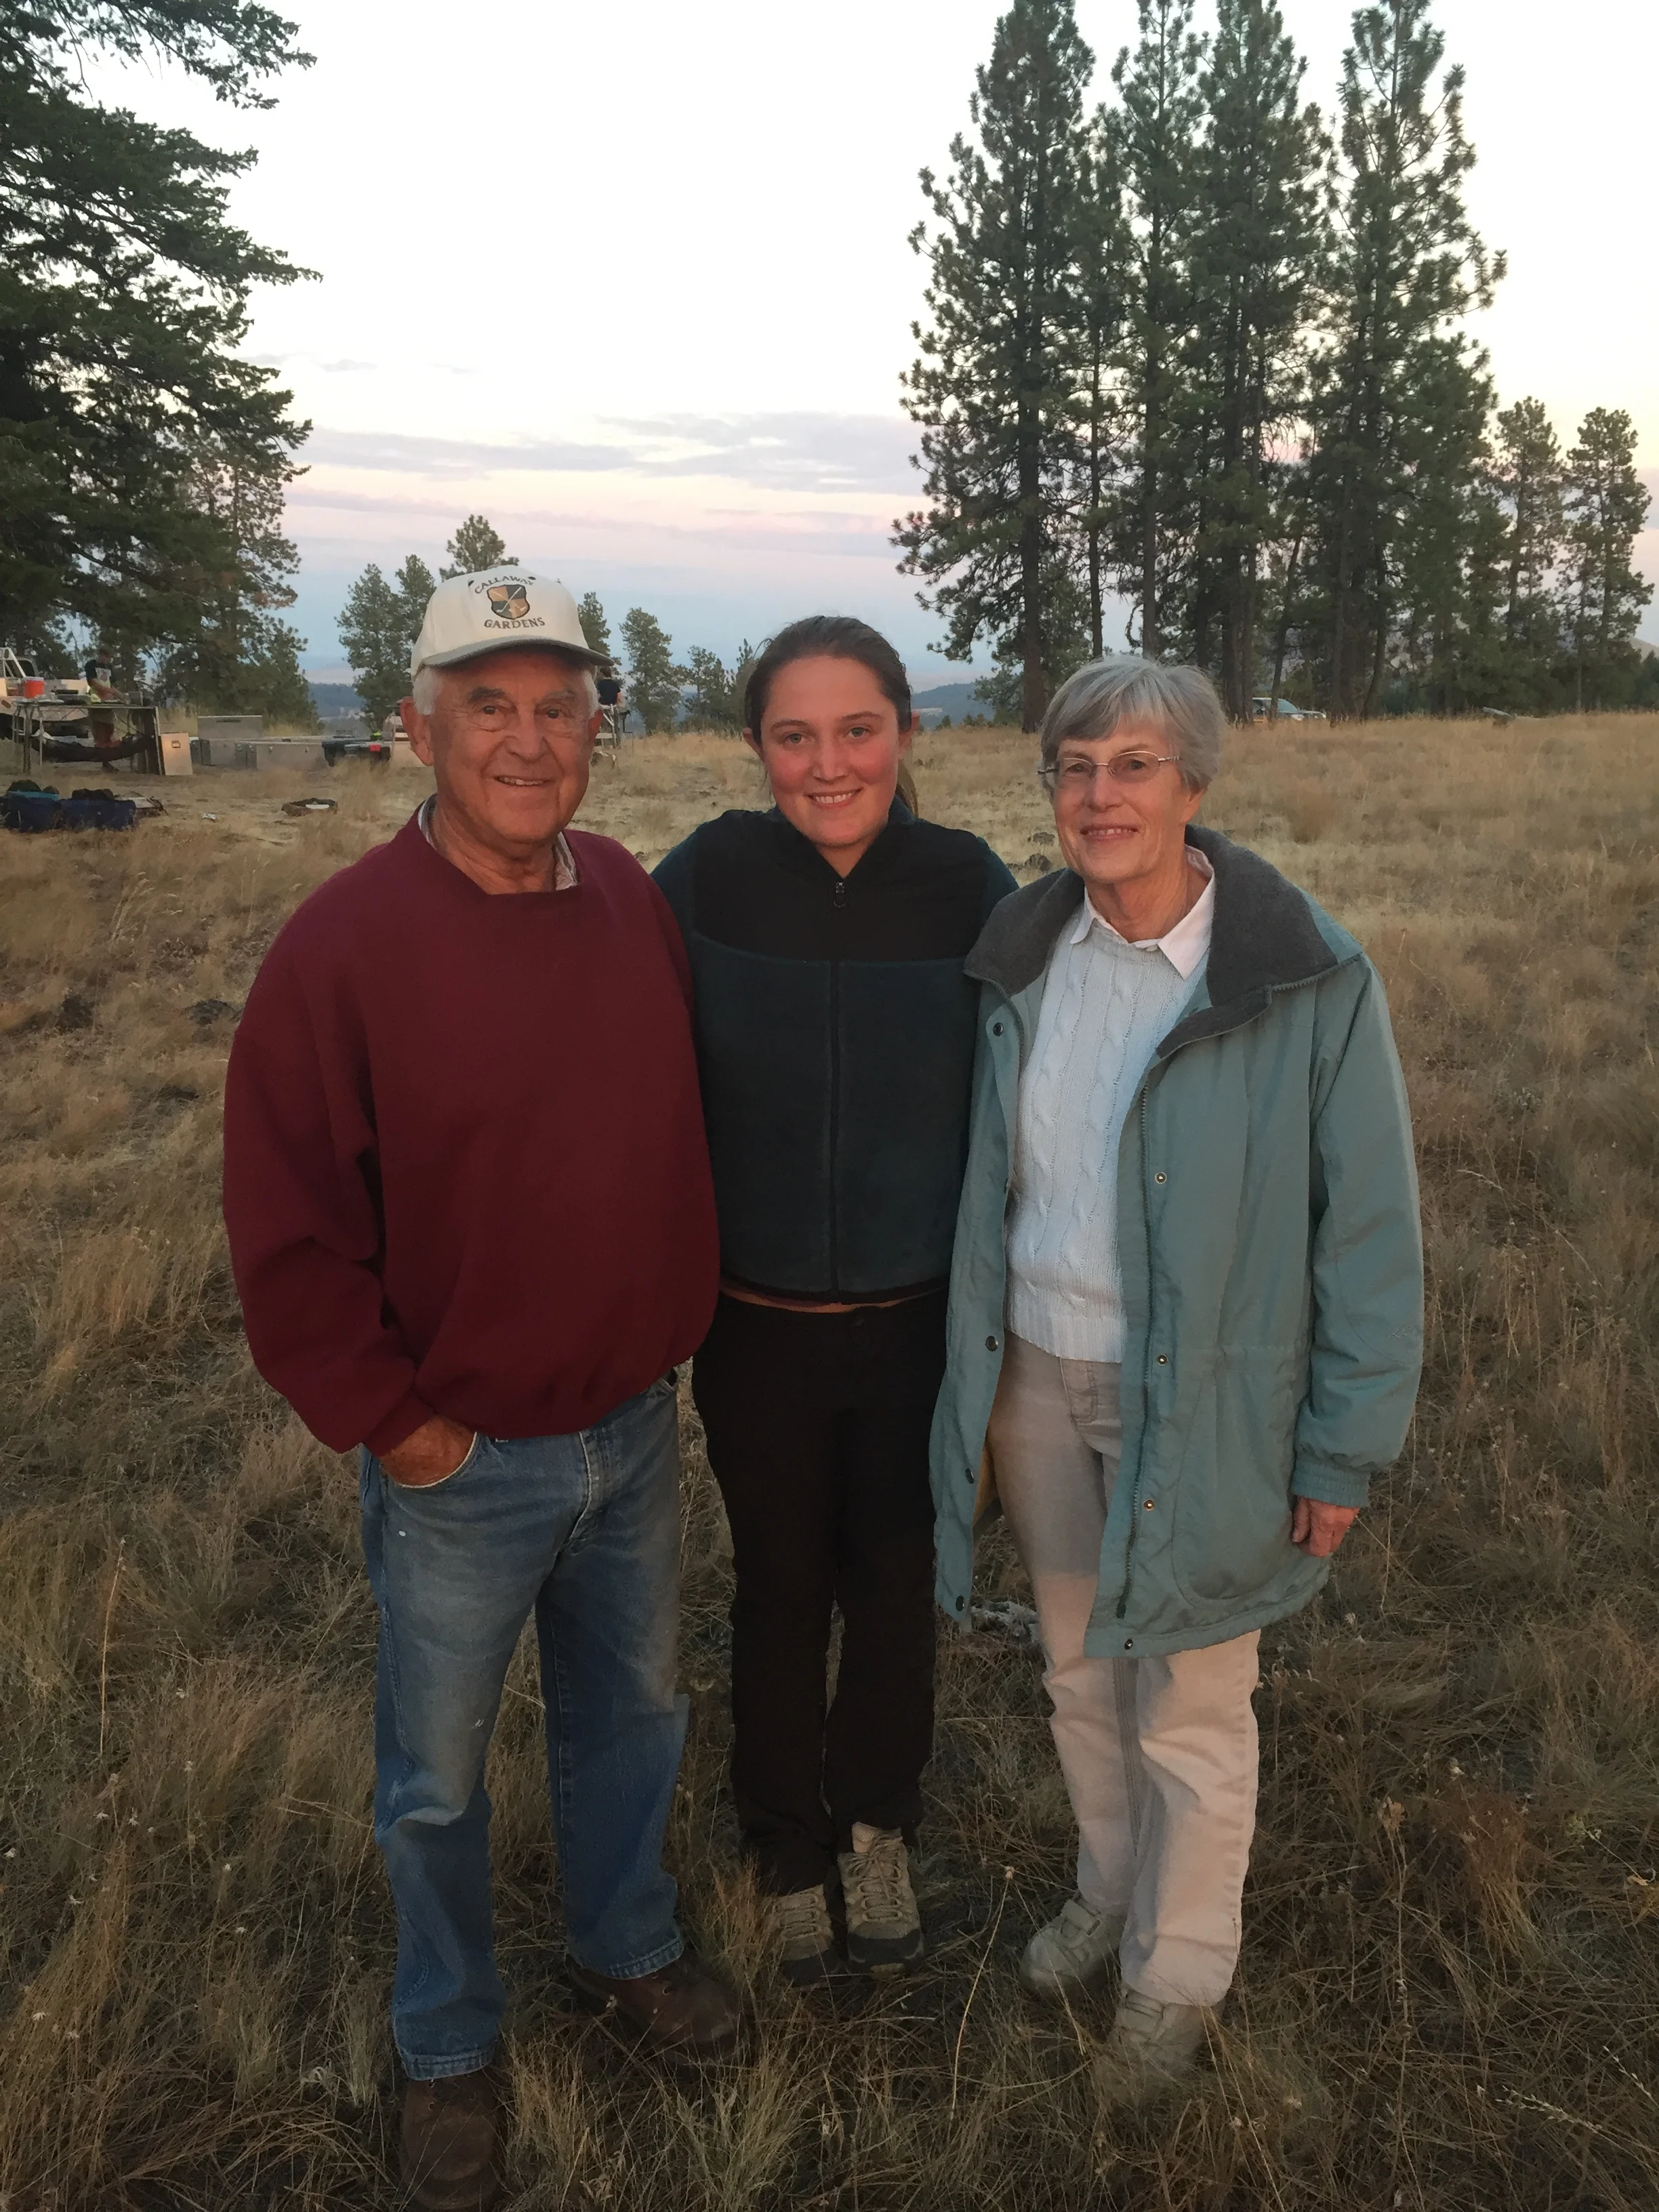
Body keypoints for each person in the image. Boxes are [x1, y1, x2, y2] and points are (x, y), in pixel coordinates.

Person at [222, 568, 739, 2212]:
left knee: (634, 1716)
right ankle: (447, 2044)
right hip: (461, 1458)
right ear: (419, 724)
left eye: (556, 705)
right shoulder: (342, 950)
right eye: (488, 705)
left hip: (633, 1431)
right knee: (436, 1773)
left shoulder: (632, 904)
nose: (527, 740)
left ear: (598, 725)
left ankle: (624, 1943)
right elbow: (288, 1222)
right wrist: (402, 1424)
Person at [930, 657, 1422, 2086]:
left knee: (1194, 1705)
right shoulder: (1019, 953)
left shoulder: (1304, 974)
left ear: (1194, 786)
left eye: (1134, 765)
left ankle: (1179, 1971)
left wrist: (1340, 1449)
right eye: (1074, 768)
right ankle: (1105, 1890)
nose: (1101, 796)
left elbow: (1372, 1233)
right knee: (1081, 1672)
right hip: (1036, 1376)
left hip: (1205, 1403)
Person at [653, 617, 1016, 1984]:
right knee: (780, 1588)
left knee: (898, 1584)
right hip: (756, 1332)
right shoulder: (704, 881)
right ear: (758, 748)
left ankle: (876, 1827)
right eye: (793, 736)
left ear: (906, 733)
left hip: (923, 1329)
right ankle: (783, 1846)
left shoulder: (971, 888)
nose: (827, 764)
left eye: (856, 730)